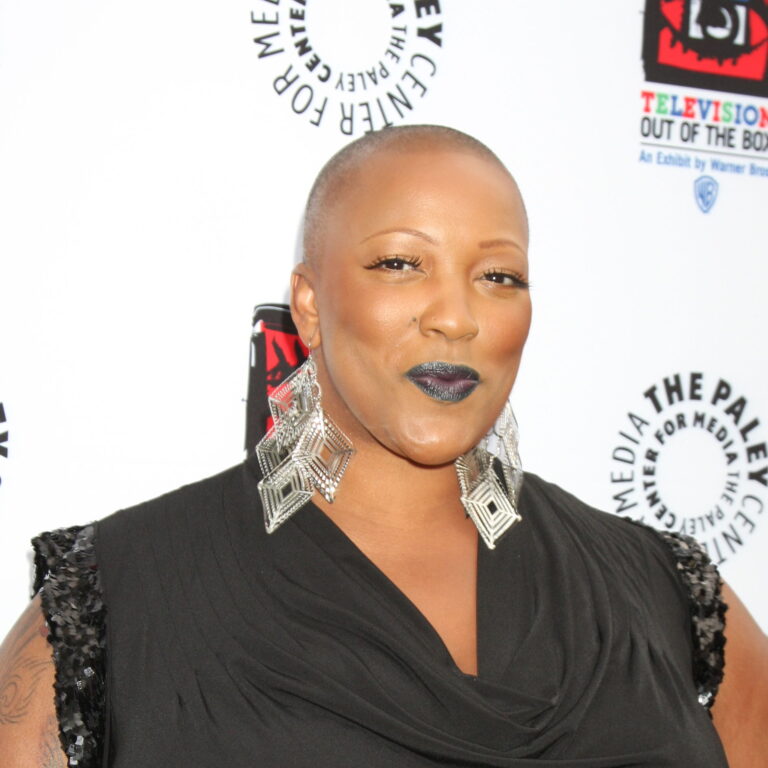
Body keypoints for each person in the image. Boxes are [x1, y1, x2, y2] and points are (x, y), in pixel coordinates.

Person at [1, 125, 767, 767]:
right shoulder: (127, 594)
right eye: (400, 264)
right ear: (309, 304)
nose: (455, 317)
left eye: (499, 276)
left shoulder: (663, 593)